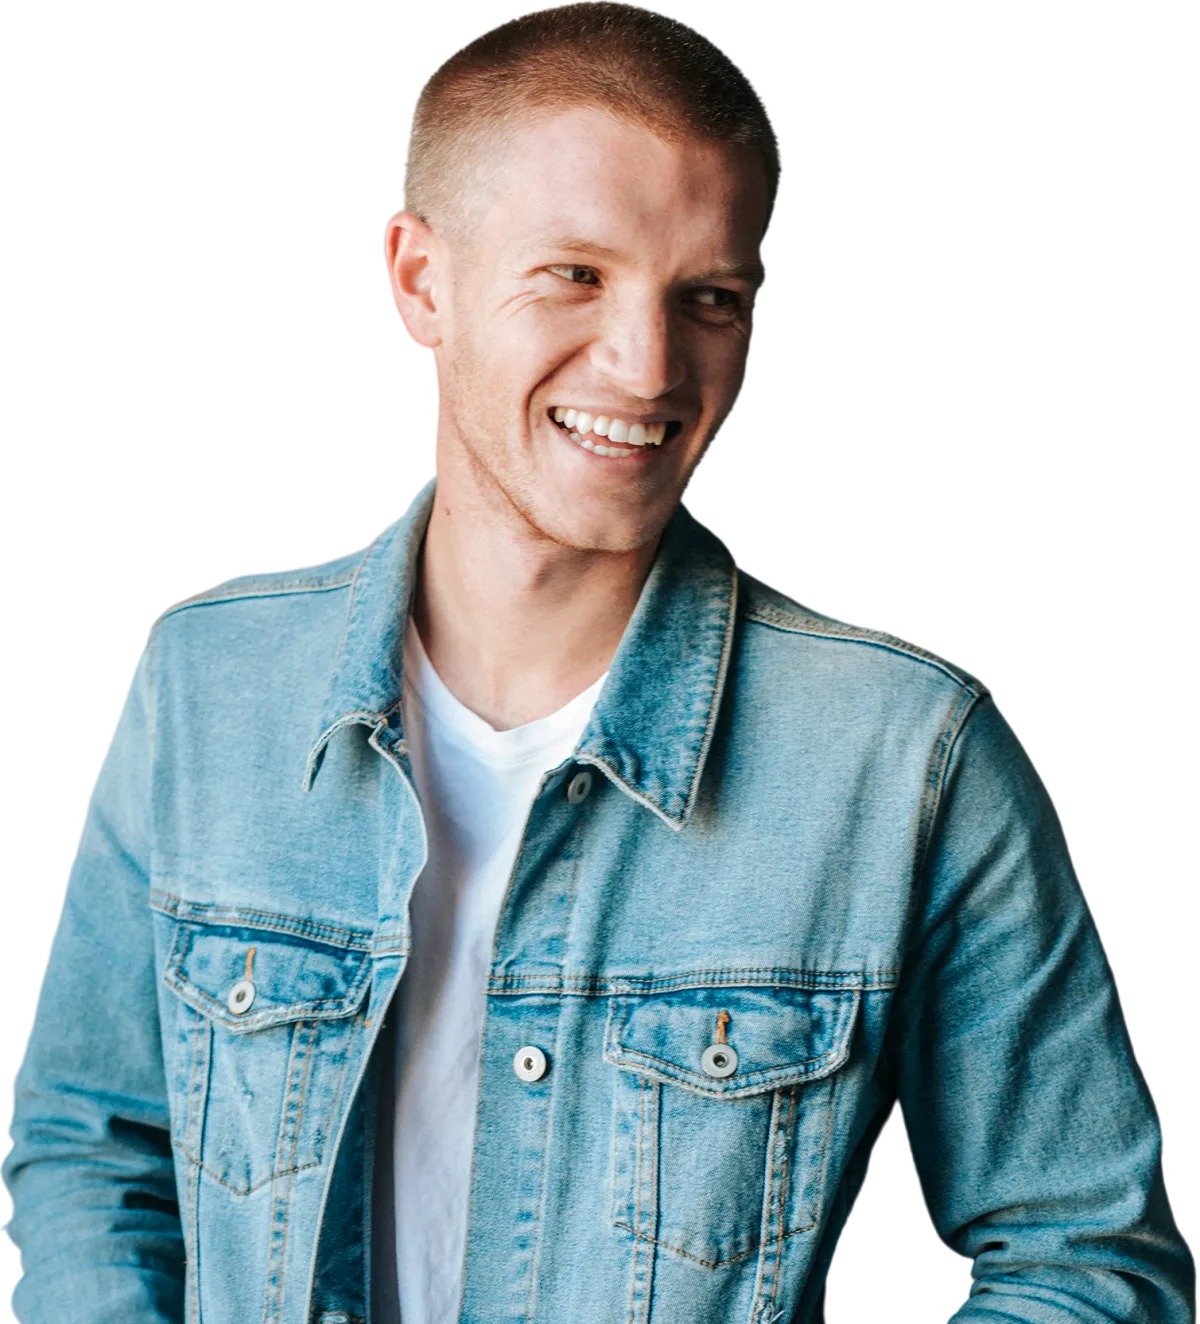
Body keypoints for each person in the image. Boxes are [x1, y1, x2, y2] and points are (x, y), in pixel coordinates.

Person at [2, 3, 1193, 1321]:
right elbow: (91, 1149)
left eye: (709, 300)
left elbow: (1087, 1263)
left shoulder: (905, 755)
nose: (647, 367)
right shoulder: (204, 682)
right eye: (575, 274)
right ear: (419, 281)